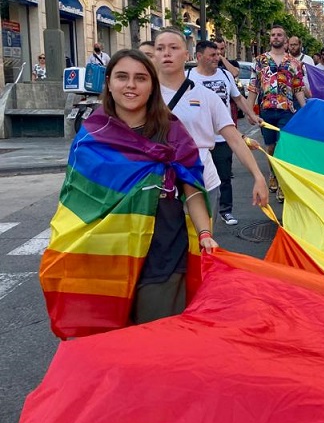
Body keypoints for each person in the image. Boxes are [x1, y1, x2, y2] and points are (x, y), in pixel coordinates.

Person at [47, 48, 216, 329]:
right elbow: (77, 199)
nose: (131, 85)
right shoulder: (91, 135)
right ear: (109, 85)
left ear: (152, 87)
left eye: (140, 78)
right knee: (109, 342)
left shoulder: (172, 131)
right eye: (122, 77)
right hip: (105, 256)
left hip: (164, 252)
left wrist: (205, 233)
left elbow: (192, 187)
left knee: (157, 339)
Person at [154, 28, 268, 219]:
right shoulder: (144, 97)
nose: (166, 53)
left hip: (202, 182)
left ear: (186, 54)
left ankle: (225, 210)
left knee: (203, 242)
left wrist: (258, 176)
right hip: (155, 184)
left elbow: (234, 140)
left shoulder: (207, 96)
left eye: (173, 47)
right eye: (160, 48)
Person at [188, 40, 261, 226]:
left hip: (223, 137)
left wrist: (252, 115)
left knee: (224, 177)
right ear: (199, 57)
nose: (216, 58)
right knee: (196, 179)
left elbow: (238, 98)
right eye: (212, 55)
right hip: (197, 141)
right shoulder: (187, 77)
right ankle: (196, 213)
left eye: (218, 54)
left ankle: (225, 211)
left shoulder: (225, 75)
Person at [248, 25, 307, 201]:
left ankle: (282, 183)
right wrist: (250, 111)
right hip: (266, 109)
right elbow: (253, 86)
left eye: (279, 34)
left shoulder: (294, 63)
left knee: (283, 147)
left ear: (285, 39)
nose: (275, 37)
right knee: (271, 147)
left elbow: (298, 87)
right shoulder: (259, 61)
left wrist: (305, 110)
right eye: (273, 35)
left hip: (287, 111)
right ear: (270, 38)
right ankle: (273, 174)